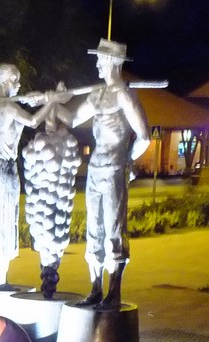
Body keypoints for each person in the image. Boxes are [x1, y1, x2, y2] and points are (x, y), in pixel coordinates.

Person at [69, 39, 150, 309]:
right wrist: (54, 101)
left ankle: (113, 292)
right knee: (94, 227)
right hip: (95, 168)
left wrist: (127, 160)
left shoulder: (124, 95)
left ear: (112, 62)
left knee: (114, 229)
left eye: (100, 59)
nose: (96, 64)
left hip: (115, 168)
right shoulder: (98, 95)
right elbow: (72, 119)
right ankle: (95, 288)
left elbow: (144, 136)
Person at [0, 64, 57, 290]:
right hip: (6, 173)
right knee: (3, 223)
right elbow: (33, 121)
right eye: (15, 80)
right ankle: (1, 281)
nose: (19, 85)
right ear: (4, 82)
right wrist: (51, 102)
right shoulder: (10, 108)